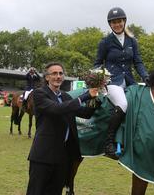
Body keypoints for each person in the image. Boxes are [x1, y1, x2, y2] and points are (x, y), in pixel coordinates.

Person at [26, 62, 100, 195]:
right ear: (47, 77)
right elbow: (57, 109)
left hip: (63, 156)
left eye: (61, 73)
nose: (58, 76)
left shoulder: (66, 96)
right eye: (54, 73)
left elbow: (85, 113)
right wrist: (85, 96)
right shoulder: (39, 94)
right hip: (43, 155)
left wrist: (97, 98)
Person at [94, 7, 149, 157]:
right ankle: (109, 143)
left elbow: (138, 62)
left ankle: (134, 139)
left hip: (130, 81)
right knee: (123, 104)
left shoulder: (132, 41)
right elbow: (97, 64)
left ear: (124, 22)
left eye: (119, 21)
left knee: (142, 104)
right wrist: (100, 76)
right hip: (112, 81)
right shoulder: (105, 42)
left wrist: (145, 76)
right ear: (110, 24)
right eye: (114, 22)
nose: (117, 24)